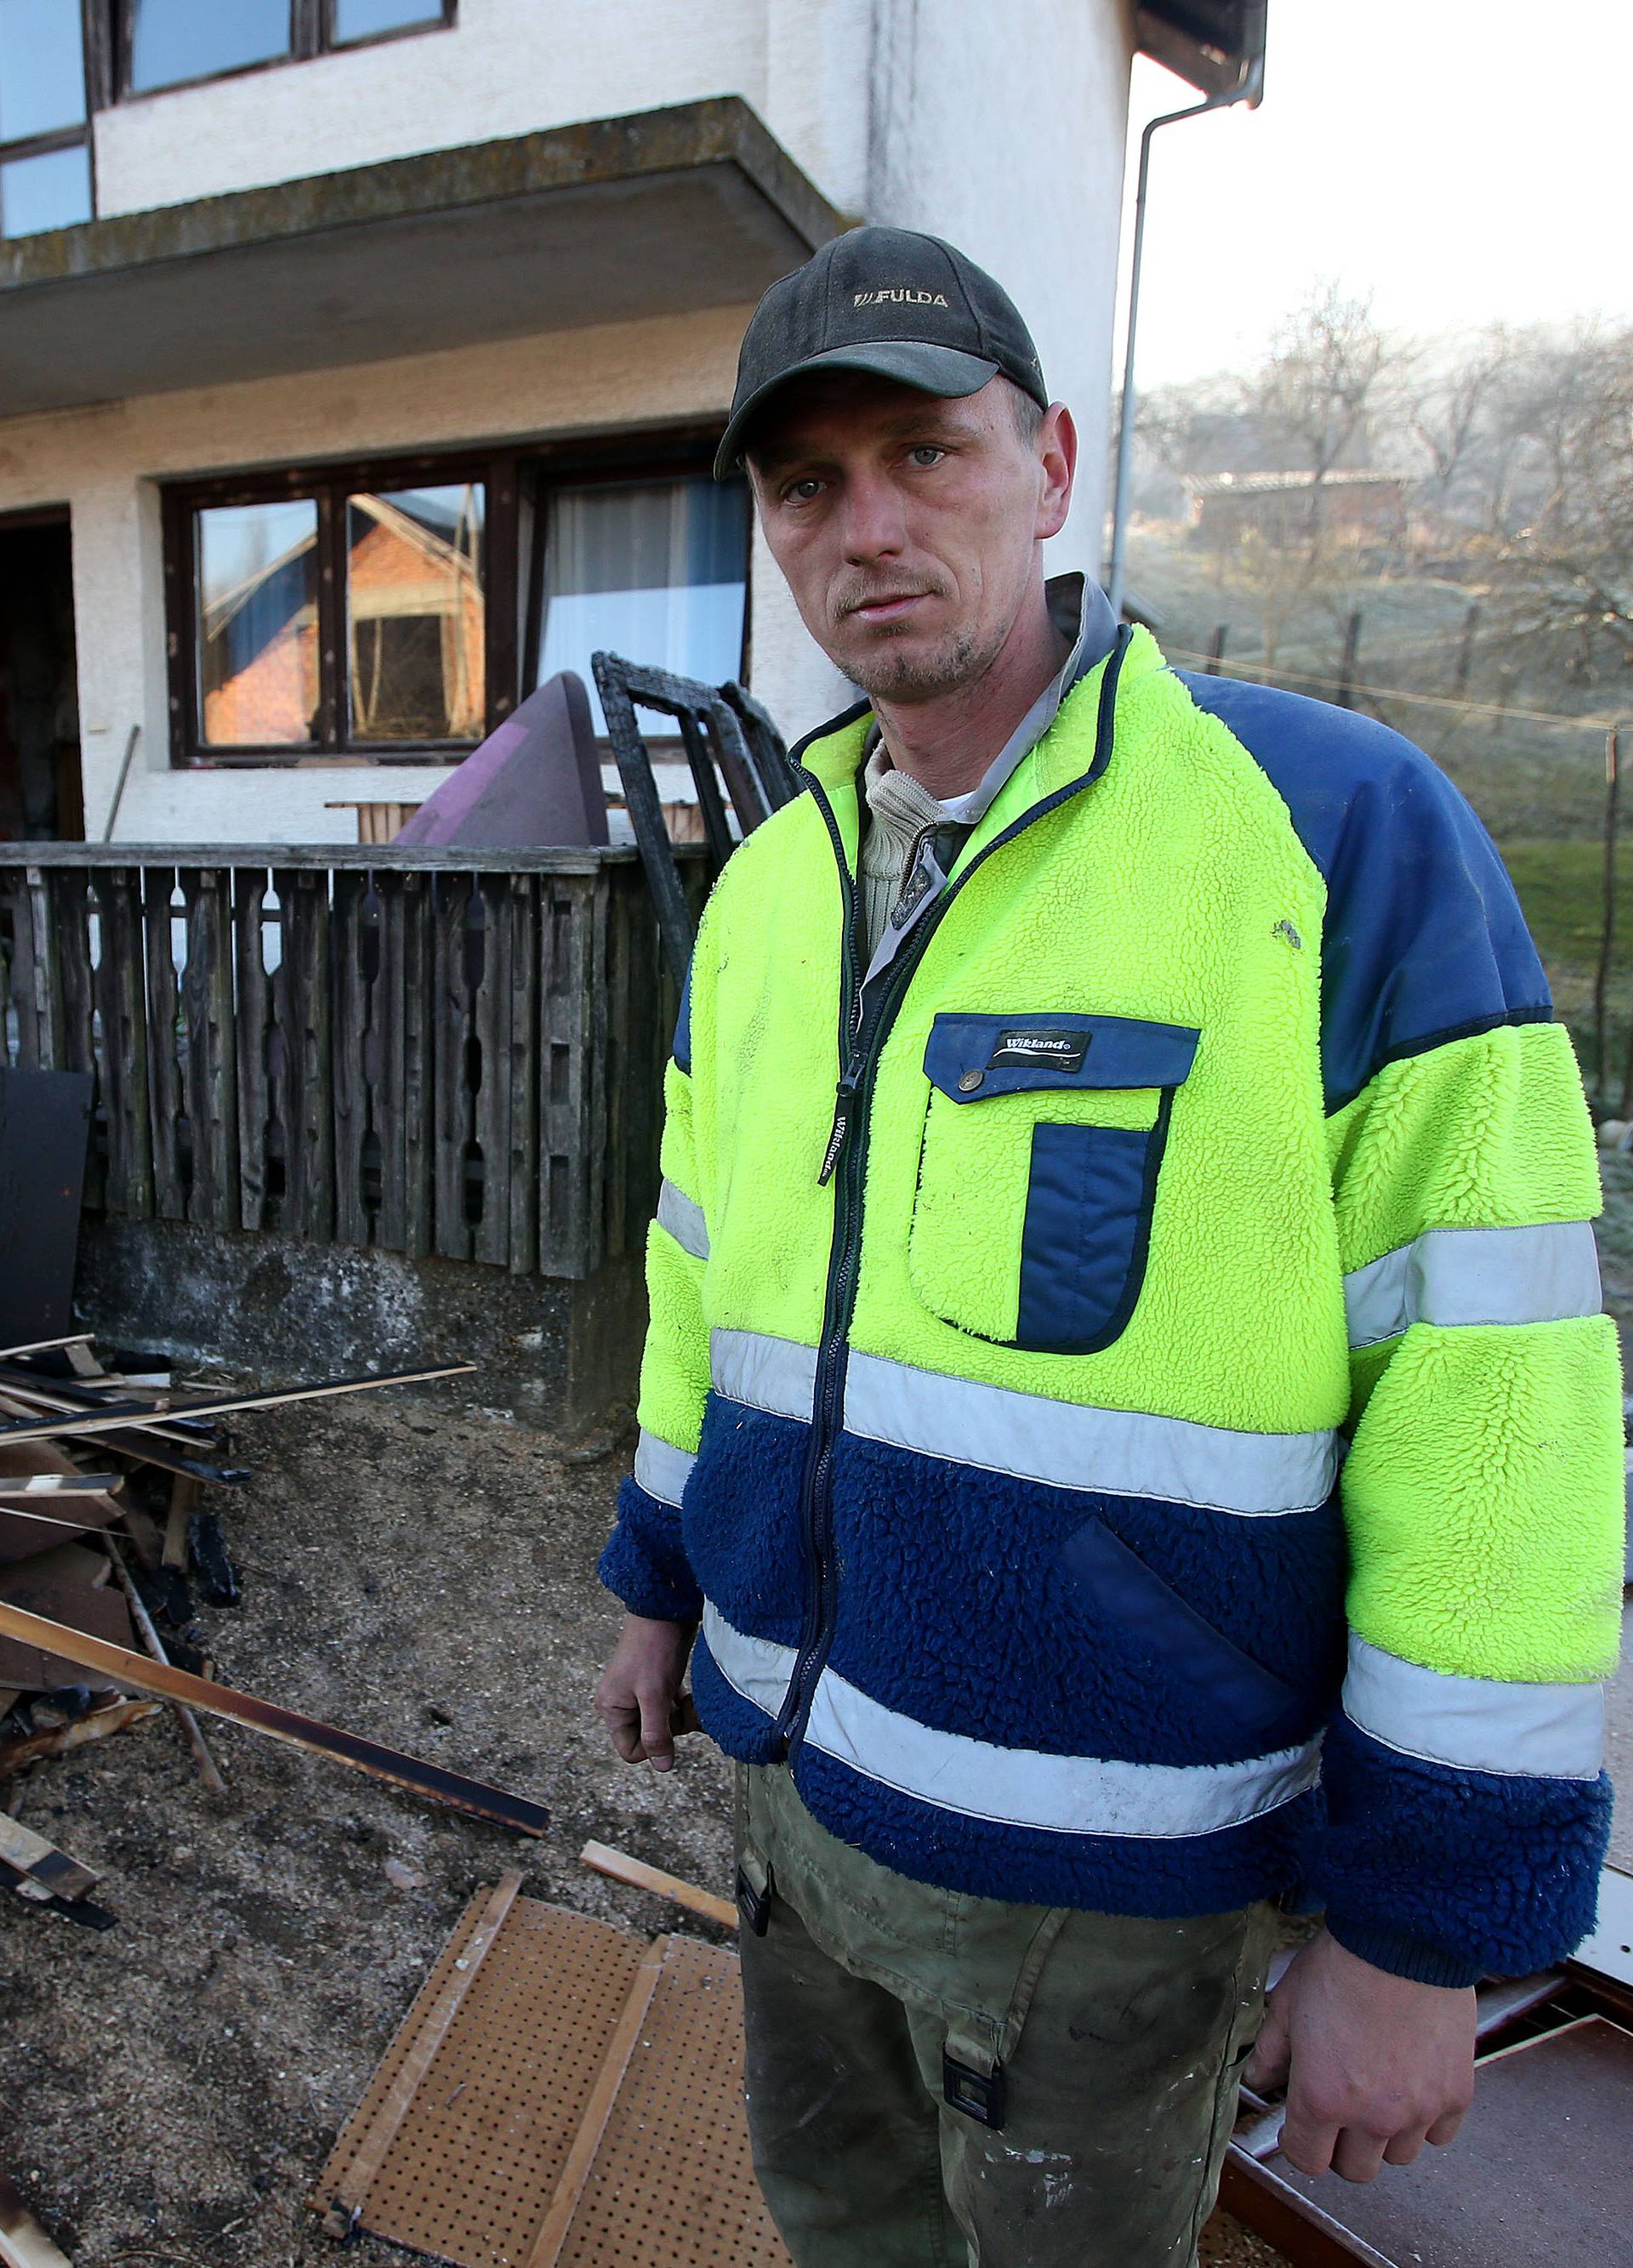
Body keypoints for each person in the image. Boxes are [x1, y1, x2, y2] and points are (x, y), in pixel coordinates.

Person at [594, 226, 1621, 2268]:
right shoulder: (772, 891)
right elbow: (706, 1278)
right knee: (842, 2222)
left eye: (925, 455)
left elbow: (1501, 1418)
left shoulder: (1333, 831)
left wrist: (1425, 1926)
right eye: (808, 485)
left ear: (1052, 464)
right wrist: (653, 1577)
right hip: (794, 1800)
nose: (867, 526)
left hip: (1112, 1884)